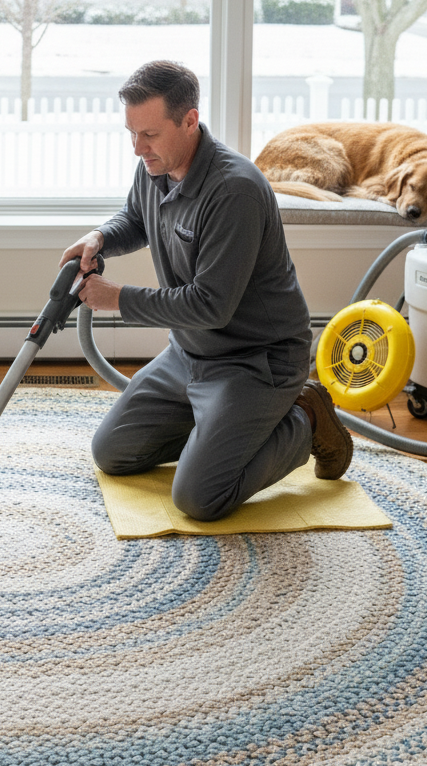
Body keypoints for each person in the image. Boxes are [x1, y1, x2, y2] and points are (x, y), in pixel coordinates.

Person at [62, 60, 352, 521]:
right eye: (131, 133)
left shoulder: (233, 191)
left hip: (257, 361)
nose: (138, 148)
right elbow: (136, 219)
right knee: (113, 452)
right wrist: (100, 237)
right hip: (190, 353)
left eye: (150, 134)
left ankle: (307, 418)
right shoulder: (156, 167)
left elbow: (210, 305)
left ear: (190, 121)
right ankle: (222, 431)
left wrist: (115, 298)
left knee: (199, 498)